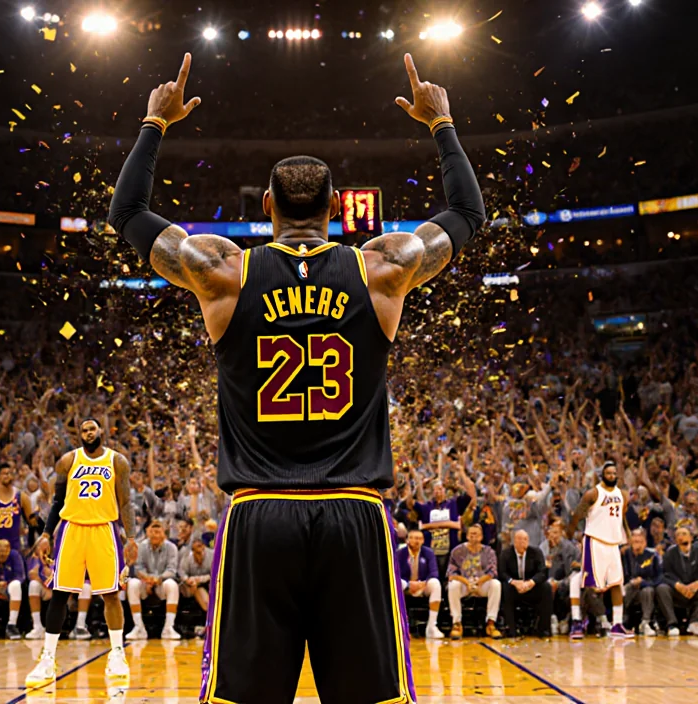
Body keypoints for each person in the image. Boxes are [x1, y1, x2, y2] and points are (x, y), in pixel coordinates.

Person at [107, 51, 483, 704]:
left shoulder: (223, 270)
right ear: (337, 208)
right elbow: (467, 215)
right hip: (354, 515)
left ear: (270, 205)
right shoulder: (382, 268)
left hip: (260, 515)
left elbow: (129, 213)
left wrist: (153, 122)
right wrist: (443, 124)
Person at [25, 419, 137, 687]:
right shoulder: (67, 461)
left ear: (101, 432)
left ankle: (117, 653)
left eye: (92, 428)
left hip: (104, 530)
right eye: (84, 429)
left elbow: (125, 502)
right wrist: (45, 534)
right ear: (79, 435)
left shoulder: (117, 461)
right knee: (60, 594)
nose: (88, 433)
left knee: (111, 594)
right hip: (71, 530)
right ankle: (47, 658)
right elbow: (57, 502)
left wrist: (131, 537)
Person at [565, 461, 633, 639]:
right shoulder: (593, 493)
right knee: (590, 585)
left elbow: (621, 517)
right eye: (608, 473)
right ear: (602, 475)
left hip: (613, 544)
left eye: (614, 473)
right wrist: (570, 533)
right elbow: (578, 515)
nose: (612, 476)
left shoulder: (623, 495)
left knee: (616, 583)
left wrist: (628, 534)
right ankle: (578, 623)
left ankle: (617, 624)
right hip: (595, 542)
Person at [655, 527, 698, 637]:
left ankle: (697, 623)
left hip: (695, 590)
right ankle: (672, 624)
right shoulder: (670, 554)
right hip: (677, 591)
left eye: (684, 534)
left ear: (690, 537)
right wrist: (677, 585)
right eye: (678, 535)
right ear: (675, 540)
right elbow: (664, 575)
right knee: (662, 588)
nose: (681, 537)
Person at [126, 520, 182, 640]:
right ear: (147, 533)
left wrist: (158, 579)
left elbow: (172, 570)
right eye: (152, 531)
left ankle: (168, 628)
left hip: (162, 583)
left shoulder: (172, 547)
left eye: (158, 532)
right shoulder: (141, 546)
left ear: (164, 533)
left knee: (172, 585)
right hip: (145, 583)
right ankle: (139, 628)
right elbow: (138, 568)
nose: (155, 535)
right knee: (132, 583)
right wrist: (147, 579)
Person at [446, 524, 502, 639]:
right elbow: (451, 574)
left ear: (481, 537)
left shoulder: (488, 551)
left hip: (481, 584)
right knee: (453, 585)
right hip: (465, 584)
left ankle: (491, 623)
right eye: (471, 534)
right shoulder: (457, 551)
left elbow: (492, 572)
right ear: (466, 536)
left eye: (476, 534)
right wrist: (467, 582)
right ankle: (456, 624)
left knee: (496, 584)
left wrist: (479, 582)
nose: (473, 536)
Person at [498, 529, 551, 638]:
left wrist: (531, 582)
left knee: (546, 588)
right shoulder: (506, 553)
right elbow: (502, 573)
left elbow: (542, 572)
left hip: (531, 586)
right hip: (514, 588)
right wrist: (513, 582)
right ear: (514, 541)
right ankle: (511, 629)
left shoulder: (536, 552)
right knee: (505, 588)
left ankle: (544, 628)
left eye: (525, 539)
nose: (523, 542)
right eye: (519, 539)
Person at [0, 463, 35, 555]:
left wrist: (30, 539)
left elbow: (32, 521)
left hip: (15, 549)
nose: (8, 475)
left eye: (10, 473)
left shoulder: (22, 497)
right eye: (4, 473)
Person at [395, 529, 443, 639]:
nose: (416, 541)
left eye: (419, 538)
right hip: (405, 586)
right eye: (412, 538)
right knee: (395, 586)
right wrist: (408, 584)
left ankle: (432, 626)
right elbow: (395, 574)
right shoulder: (399, 554)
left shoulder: (428, 553)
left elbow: (434, 573)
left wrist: (422, 584)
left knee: (435, 584)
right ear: (407, 540)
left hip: (423, 585)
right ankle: (401, 628)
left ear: (423, 541)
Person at [620, 528, 662, 636]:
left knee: (647, 590)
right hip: (629, 588)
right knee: (627, 588)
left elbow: (659, 577)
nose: (636, 545)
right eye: (634, 542)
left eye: (639, 542)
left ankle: (645, 623)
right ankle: (622, 620)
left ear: (645, 543)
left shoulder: (652, 556)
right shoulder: (625, 555)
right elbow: (623, 575)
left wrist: (643, 582)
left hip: (647, 588)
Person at [179, 537, 214, 637]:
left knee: (204, 596)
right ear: (192, 550)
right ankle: (207, 625)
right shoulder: (187, 557)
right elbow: (181, 573)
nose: (199, 551)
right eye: (195, 549)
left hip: (209, 583)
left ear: (204, 546)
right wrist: (188, 580)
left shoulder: (212, 555)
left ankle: (208, 625)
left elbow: (214, 574)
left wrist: (198, 579)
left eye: (200, 546)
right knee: (195, 590)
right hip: (191, 585)